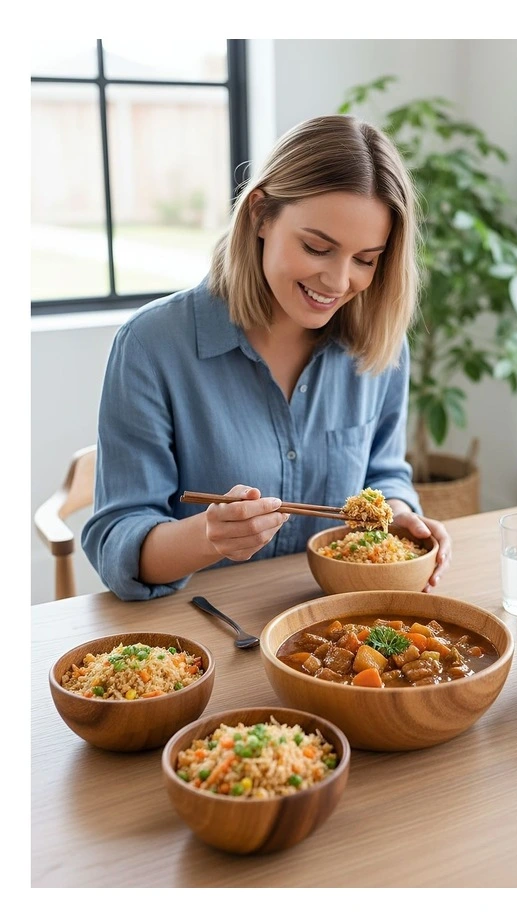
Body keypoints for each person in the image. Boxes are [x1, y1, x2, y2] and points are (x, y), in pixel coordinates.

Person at [82, 114, 452, 601]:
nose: (340, 283)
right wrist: (209, 535)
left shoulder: (379, 343)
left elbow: (383, 473)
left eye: (365, 259)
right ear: (260, 214)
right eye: (317, 247)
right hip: (207, 630)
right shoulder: (152, 346)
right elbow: (117, 542)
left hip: (338, 627)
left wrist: (400, 513)